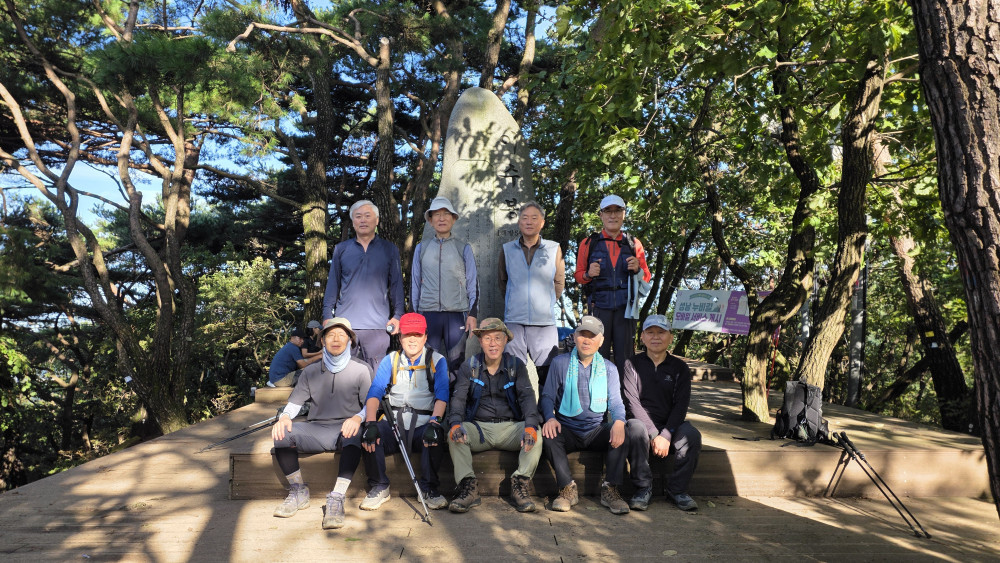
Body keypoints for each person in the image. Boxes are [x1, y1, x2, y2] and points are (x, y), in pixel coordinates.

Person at [270, 318, 376, 530]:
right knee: (282, 434)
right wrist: (285, 417)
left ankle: (337, 497)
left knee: (355, 433)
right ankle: (298, 490)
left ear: (350, 341)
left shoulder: (362, 369)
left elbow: (370, 405)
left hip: (347, 429)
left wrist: (357, 418)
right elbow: (295, 403)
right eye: (330, 335)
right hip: (316, 428)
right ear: (322, 341)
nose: (336, 339)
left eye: (342, 335)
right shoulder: (310, 371)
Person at [356, 312, 451, 511]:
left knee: (434, 436)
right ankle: (380, 486)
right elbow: (375, 391)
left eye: (418, 335)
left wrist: (435, 422)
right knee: (370, 435)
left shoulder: (437, 360)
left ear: (425, 336)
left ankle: (429, 489)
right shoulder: (391, 360)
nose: (412, 340)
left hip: (424, 422)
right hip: (393, 422)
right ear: (400, 337)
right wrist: (370, 422)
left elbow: (442, 395)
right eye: (408, 335)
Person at [447, 318, 543, 513]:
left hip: (510, 428)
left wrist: (530, 426)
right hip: (479, 429)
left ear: (505, 340)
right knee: (455, 434)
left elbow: (527, 398)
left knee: (537, 434)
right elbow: (458, 399)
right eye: (487, 338)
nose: (493, 343)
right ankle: (468, 487)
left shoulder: (516, 365)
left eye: (498, 338)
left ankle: (520, 484)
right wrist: (455, 423)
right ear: (480, 341)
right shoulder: (469, 366)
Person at [539, 315, 631, 514]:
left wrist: (618, 422)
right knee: (548, 434)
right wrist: (550, 417)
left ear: (601, 340)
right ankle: (567, 489)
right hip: (567, 429)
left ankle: (610, 489)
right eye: (582, 335)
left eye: (592, 336)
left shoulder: (609, 368)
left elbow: (616, 402)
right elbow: (547, 396)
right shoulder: (560, 363)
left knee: (624, 430)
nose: (587, 340)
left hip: (596, 430)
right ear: (575, 337)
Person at [624, 315, 702, 511]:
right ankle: (643, 488)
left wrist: (666, 434)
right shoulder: (631, 364)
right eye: (650, 332)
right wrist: (653, 433)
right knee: (635, 429)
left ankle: (677, 490)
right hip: (642, 425)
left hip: (671, 425)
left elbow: (681, 406)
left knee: (692, 436)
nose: (655, 337)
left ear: (671, 337)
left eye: (661, 332)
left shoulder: (680, 368)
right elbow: (632, 403)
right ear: (642, 337)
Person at [322, 200, 405, 369]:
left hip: (378, 326)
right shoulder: (341, 249)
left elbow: (397, 285)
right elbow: (332, 284)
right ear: (353, 222)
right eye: (358, 216)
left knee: (376, 376)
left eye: (368, 216)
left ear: (377, 220)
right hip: (344, 325)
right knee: (343, 374)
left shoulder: (389, 249)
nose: (363, 220)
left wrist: (398, 315)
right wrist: (326, 315)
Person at [574, 195, 651, 375]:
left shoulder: (634, 243)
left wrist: (638, 269)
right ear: (601, 215)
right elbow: (578, 275)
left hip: (626, 309)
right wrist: (588, 274)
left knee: (625, 357)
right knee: (596, 354)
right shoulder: (589, 243)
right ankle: (595, 392)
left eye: (617, 211)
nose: (613, 215)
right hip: (598, 307)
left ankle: (625, 392)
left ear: (624, 214)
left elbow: (646, 277)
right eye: (608, 211)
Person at [498, 201, 565, 389]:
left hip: (544, 323)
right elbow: (503, 282)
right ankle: (517, 407)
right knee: (513, 374)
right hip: (514, 321)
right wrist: (515, 302)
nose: (529, 222)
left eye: (534, 218)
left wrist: (545, 303)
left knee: (547, 376)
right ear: (519, 222)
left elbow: (559, 282)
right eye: (525, 217)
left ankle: (546, 408)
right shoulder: (507, 249)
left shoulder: (553, 249)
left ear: (542, 223)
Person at [411, 196, 478, 374]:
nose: (441, 218)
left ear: (453, 219)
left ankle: (455, 393)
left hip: (457, 314)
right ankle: (431, 393)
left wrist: (473, 313)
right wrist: (415, 314)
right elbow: (415, 284)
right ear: (430, 220)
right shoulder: (422, 248)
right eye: (437, 215)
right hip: (428, 313)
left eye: (446, 214)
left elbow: (473, 282)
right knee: (428, 363)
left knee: (457, 364)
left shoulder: (463, 248)